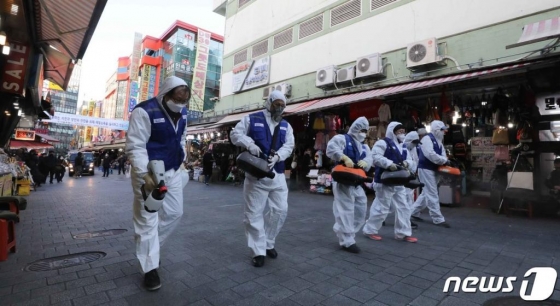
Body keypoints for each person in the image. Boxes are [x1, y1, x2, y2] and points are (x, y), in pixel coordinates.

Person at [126, 76, 190, 291]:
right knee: (147, 219)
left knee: (175, 213)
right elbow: (136, 145)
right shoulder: (144, 111)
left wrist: (182, 160)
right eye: (177, 100)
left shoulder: (183, 115)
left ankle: (151, 250)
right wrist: (145, 174)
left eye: (184, 102)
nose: (180, 105)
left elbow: (181, 139)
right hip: (148, 173)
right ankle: (149, 269)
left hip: (172, 170)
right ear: (165, 93)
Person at [230, 90, 295, 268]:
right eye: (277, 104)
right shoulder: (251, 119)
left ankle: (268, 243)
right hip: (256, 176)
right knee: (253, 214)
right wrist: (248, 144)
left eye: (282, 105)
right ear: (269, 103)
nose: (280, 108)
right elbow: (235, 135)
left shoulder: (286, 126)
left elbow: (289, 145)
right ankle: (258, 250)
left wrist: (279, 157)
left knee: (281, 210)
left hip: (278, 175)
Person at [363, 122, 418, 243]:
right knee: (381, 207)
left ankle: (403, 233)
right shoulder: (382, 143)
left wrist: (407, 164)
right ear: (393, 131)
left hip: (398, 181)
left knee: (403, 207)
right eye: (399, 132)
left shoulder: (403, 146)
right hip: (384, 181)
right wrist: (389, 164)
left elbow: (410, 160)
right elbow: (375, 157)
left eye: (403, 131)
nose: (402, 134)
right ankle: (370, 230)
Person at [326, 117, 372, 253]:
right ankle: (347, 240)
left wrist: (366, 162)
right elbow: (331, 148)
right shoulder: (342, 139)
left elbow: (370, 158)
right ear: (355, 128)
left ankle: (344, 230)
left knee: (360, 208)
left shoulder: (364, 146)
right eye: (361, 130)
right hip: (343, 180)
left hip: (357, 181)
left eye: (365, 131)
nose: (363, 133)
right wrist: (343, 157)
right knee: (346, 209)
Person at [411, 120, 451, 227]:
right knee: (432, 193)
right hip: (426, 169)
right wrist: (444, 161)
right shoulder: (427, 139)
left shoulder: (438, 141)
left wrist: (445, 160)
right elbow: (430, 154)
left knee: (426, 192)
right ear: (437, 130)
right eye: (442, 130)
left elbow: (442, 155)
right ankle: (437, 218)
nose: (444, 132)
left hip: (434, 169)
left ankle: (413, 212)